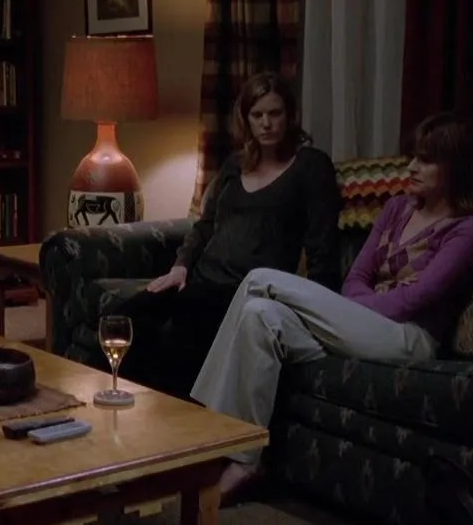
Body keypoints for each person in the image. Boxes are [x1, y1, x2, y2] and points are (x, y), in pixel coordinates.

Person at [188, 111, 473, 500]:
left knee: (259, 279)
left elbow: (418, 297)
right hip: (361, 324)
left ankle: (203, 426)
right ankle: (246, 459)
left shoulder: (469, 229)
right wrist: (355, 309)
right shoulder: (398, 208)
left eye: (426, 160)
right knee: (259, 315)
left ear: (456, 167)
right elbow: (356, 277)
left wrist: (358, 309)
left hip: (410, 338)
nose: (412, 168)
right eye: (413, 158)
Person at [118, 72, 342, 395]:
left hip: (246, 292)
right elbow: (205, 225)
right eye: (257, 115)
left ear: (290, 115)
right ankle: (122, 409)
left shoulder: (310, 166)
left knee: (184, 325)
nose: (266, 124)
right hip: (201, 279)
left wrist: (315, 310)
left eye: (274, 113)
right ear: (246, 120)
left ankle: (175, 417)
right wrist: (180, 267)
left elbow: (323, 245)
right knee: (125, 319)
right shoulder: (235, 165)